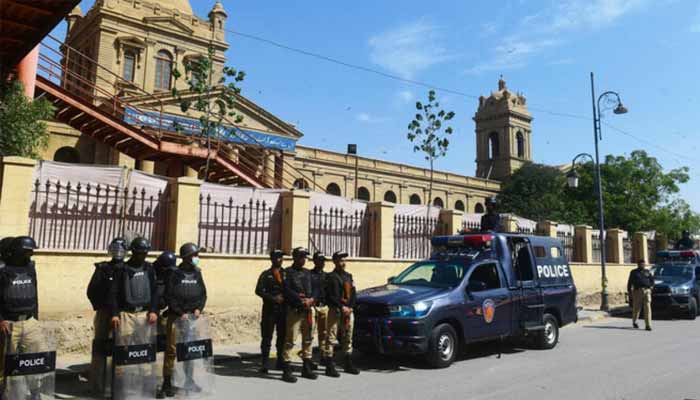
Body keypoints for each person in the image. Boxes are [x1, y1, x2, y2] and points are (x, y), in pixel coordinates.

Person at [158, 243, 207, 398]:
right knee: (172, 351)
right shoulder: (175, 274)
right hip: (176, 317)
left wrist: (199, 308)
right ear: (186, 258)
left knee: (189, 350)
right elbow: (169, 295)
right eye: (194, 255)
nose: (197, 258)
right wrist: (179, 312)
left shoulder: (197, 273)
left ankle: (189, 379)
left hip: (193, 318)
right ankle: (167, 382)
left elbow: (203, 294)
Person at [0, 236, 42, 400]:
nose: (30, 254)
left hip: (29, 322)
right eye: (27, 251)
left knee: (35, 359)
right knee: (5, 363)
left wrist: (36, 318)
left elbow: (34, 293)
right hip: (8, 323)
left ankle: (34, 392)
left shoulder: (30, 268)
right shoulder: (3, 270)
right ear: (18, 251)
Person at [86, 237, 127, 396]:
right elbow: (92, 290)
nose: (118, 251)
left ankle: (119, 385)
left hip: (123, 314)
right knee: (100, 348)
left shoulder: (127, 268)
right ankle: (97, 385)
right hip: (104, 313)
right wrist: (101, 308)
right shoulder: (102, 268)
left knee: (122, 349)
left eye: (121, 248)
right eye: (115, 248)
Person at [281, 247, 316, 383]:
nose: (304, 259)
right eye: (301, 256)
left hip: (308, 310)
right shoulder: (288, 272)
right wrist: (299, 300)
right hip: (295, 310)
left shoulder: (308, 273)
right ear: (295, 257)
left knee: (308, 339)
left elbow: (316, 288)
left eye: (305, 257)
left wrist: (312, 299)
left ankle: (306, 368)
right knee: (290, 340)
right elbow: (286, 290)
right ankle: (286, 370)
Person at [325, 251, 359, 375]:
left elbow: (354, 293)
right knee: (331, 337)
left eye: (344, 260)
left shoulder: (349, 276)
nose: (343, 263)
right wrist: (341, 307)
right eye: (340, 260)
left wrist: (350, 307)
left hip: (348, 312)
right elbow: (330, 295)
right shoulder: (330, 277)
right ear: (334, 261)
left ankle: (348, 363)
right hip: (336, 310)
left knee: (348, 337)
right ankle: (329, 365)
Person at [255, 250, 287, 374]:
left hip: (282, 310)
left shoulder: (286, 273)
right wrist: (273, 298)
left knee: (282, 337)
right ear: (272, 259)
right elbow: (258, 291)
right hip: (269, 310)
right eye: (277, 257)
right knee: (267, 338)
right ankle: (265, 363)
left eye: (281, 257)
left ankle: (280, 360)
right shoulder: (266, 274)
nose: (280, 259)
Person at [310, 251, 338, 377]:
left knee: (324, 334)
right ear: (314, 261)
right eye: (319, 260)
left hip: (324, 307)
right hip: (313, 307)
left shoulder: (327, 276)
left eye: (323, 261)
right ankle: (308, 358)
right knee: (309, 333)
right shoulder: (309, 275)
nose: (322, 263)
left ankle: (323, 356)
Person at [153, 251, 177, 355]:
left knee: (164, 340)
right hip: (151, 311)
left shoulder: (171, 273)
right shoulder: (152, 271)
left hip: (164, 310)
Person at [627, 261, 654, 331]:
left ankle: (648, 325)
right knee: (636, 308)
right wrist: (629, 291)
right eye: (641, 264)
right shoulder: (634, 272)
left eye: (643, 264)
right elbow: (630, 282)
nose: (642, 265)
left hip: (647, 291)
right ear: (638, 265)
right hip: (637, 291)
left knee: (647, 308)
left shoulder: (647, 271)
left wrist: (651, 287)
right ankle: (635, 321)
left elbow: (652, 280)